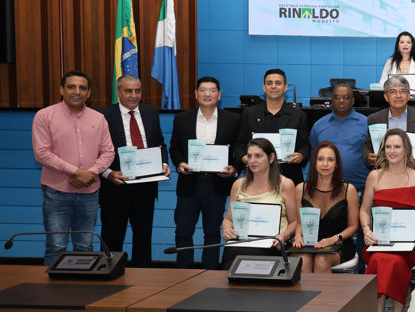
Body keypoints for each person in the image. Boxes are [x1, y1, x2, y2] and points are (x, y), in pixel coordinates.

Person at [360, 129, 415, 312]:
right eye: (388, 147)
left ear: (406, 150)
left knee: (392, 261)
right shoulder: (374, 176)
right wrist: (366, 230)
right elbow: (364, 210)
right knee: (380, 259)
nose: (392, 151)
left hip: (410, 245)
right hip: (379, 242)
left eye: (397, 147)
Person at [31, 70, 115, 266]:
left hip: (89, 194)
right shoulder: (44, 116)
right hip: (57, 193)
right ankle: (52, 287)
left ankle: (83, 286)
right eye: (71, 87)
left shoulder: (99, 118)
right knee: (56, 246)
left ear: (89, 93)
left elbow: (108, 152)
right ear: (61, 90)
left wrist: (90, 174)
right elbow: (42, 153)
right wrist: (77, 172)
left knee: (85, 246)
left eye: (82, 88)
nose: (77, 91)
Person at [97, 75, 170, 267]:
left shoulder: (151, 112)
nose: (134, 95)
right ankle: (108, 274)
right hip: (115, 187)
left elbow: (160, 144)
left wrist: (163, 163)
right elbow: (94, 150)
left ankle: (143, 278)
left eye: (137, 91)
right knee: (112, 237)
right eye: (128, 91)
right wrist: (107, 173)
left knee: (143, 239)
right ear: (118, 92)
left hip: (145, 188)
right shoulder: (102, 115)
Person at [170, 76, 241, 269]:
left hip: (217, 184)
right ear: (196, 94)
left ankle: (210, 272)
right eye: (203, 90)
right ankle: (183, 273)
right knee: (183, 231)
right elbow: (174, 148)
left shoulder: (233, 119)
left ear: (219, 95)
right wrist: (179, 163)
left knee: (212, 232)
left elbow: (239, 149)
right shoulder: (182, 118)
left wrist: (234, 168)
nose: (207, 94)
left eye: (212, 90)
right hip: (189, 184)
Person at [221, 137, 300, 264]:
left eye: (258, 156)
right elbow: (228, 220)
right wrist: (227, 230)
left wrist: (284, 235)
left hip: (273, 243)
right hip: (242, 242)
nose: (252, 160)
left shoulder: (285, 184)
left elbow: (294, 222)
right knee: (230, 254)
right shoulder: (238, 184)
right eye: (249, 156)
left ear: (271, 158)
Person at [293, 142, 359, 273]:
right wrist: (297, 236)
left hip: (339, 243)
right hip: (309, 242)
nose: (325, 164)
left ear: (337, 164)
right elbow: (300, 222)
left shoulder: (349, 190)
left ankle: (324, 289)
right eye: (320, 159)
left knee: (322, 260)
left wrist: (334, 239)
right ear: (314, 162)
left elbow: (353, 226)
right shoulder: (301, 188)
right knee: (303, 261)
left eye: (330, 160)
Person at [235, 68, 309, 186]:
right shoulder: (249, 114)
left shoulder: (298, 116)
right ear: (264, 88)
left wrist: (301, 156)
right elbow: (240, 145)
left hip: (289, 177)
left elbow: (305, 146)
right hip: (256, 177)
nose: (273, 86)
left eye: (278, 83)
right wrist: (244, 158)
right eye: (269, 83)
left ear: (285, 88)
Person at [362, 75, 415, 173]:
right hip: (384, 173)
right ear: (386, 97)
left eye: (402, 91)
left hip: (414, 172)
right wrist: (367, 156)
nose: (398, 95)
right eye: (393, 91)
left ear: (408, 95)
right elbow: (368, 146)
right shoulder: (374, 119)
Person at [309, 83, 369, 193]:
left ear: (353, 101)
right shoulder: (319, 125)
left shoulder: (367, 123)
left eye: (346, 97)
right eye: (337, 97)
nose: (341, 100)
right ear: (332, 100)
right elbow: (314, 158)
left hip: (360, 188)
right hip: (326, 189)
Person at [379, 31, 415, 102]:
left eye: (408, 42)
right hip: (394, 101)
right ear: (398, 46)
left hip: (413, 101)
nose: (405, 45)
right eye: (402, 42)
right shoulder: (390, 62)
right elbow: (383, 82)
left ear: (412, 46)